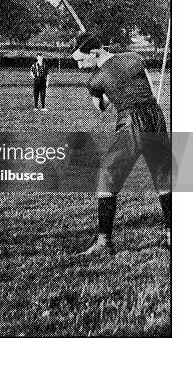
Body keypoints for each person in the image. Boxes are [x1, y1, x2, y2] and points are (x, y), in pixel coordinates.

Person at [71, 33, 171, 255]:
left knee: (106, 177)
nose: (79, 65)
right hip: (155, 115)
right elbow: (151, 90)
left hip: (131, 122)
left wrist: (100, 88)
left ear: (94, 52)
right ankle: (172, 234)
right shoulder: (134, 57)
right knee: (163, 176)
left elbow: (101, 108)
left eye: (81, 59)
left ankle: (103, 243)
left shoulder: (95, 80)